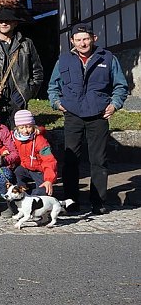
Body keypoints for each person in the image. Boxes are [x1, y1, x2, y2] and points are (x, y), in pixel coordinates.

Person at [47, 23, 128, 215]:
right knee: (70, 160)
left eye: (86, 39)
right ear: (72, 41)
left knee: (99, 161)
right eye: (78, 40)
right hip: (72, 114)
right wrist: (57, 103)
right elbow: (53, 86)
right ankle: (71, 202)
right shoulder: (63, 60)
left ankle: (98, 202)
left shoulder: (108, 58)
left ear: (93, 39)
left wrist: (114, 104)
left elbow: (120, 85)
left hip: (98, 115)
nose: (82, 43)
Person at [0, 8, 44, 129]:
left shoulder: (26, 43)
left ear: (15, 23)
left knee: (18, 133)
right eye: (0, 21)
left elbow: (37, 71)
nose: (4, 23)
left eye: (8, 21)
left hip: (18, 97)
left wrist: (28, 92)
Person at [0, 109, 58, 218]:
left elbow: (49, 160)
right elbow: (7, 147)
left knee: (43, 189)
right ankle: (15, 206)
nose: (25, 130)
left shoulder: (40, 140)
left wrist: (49, 179)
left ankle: (35, 206)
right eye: (22, 128)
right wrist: (4, 152)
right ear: (17, 128)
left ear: (33, 126)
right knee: (15, 174)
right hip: (23, 167)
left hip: (39, 169)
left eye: (29, 127)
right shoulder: (13, 137)